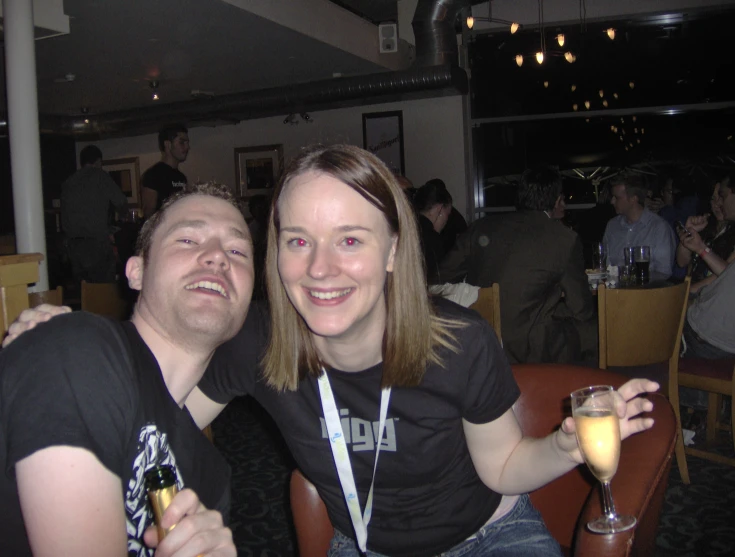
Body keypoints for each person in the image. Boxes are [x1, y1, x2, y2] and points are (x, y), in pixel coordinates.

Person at [6, 145, 658, 557]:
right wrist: (67, 340)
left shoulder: (457, 340)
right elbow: (155, 407)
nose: (319, 268)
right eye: (297, 240)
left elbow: (501, 468)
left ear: (393, 251)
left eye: (349, 239)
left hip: (487, 537)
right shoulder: (258, 340)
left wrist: (565, 447)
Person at [0, 182, 247, 556]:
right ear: (136, 272)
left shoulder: (210, 477)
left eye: (236, 250)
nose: (218, 257)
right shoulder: (81, 351)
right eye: (188, 241)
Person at [436, 166, 595, 364]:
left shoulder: (481, 227)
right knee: (585, 330)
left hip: (478, 341)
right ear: (556, 201)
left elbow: (440, 277)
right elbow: (581, 308)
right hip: (530, 351)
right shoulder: (564, 238)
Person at [61, 144, 129, 283]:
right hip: (96, 244)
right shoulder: (100, 176)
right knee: (103, 290)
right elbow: (121, 202)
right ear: (98, 161)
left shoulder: (69, 181)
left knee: (84, 291)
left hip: (73, 246)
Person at [603, 171, 676, 279]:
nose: (612, 201)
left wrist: (635, 281)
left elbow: (663, 272)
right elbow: (606, 264)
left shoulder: (658, 227)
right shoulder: (612, 226)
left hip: (647, 293)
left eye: (616, 197)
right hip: (615, 292)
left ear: (633, 198)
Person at [676, 176, 735, 294]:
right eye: (714, 199)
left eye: (722, 197)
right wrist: (689, 232)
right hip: (699, 295)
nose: (718, 204)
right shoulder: (705, 224)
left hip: (712, 296)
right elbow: (682, 261)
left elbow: (726, 273)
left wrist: (688, 291)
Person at [141, 123, 189, 218]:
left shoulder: (182, 177)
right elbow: (148, 213)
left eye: (187, 143)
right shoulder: (153, 175)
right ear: (168, 144)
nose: (187, 147)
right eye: (182, 142)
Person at [413, 178, 453, 279]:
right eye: (447, 214)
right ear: (439, 209)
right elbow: (437, 281)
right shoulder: (431, 239)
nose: (447, 220)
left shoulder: (407, 228)